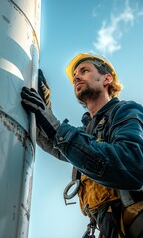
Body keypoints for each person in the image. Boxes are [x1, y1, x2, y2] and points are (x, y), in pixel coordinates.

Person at [21, 53, 143, 238]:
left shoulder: (125, 111)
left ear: (106, 79)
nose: (76, 77)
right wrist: (43, 110)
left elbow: (132, 166)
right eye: (75, 75)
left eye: (84, 71)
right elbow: (55, 143)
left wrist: (54, 127)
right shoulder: (86, 133)